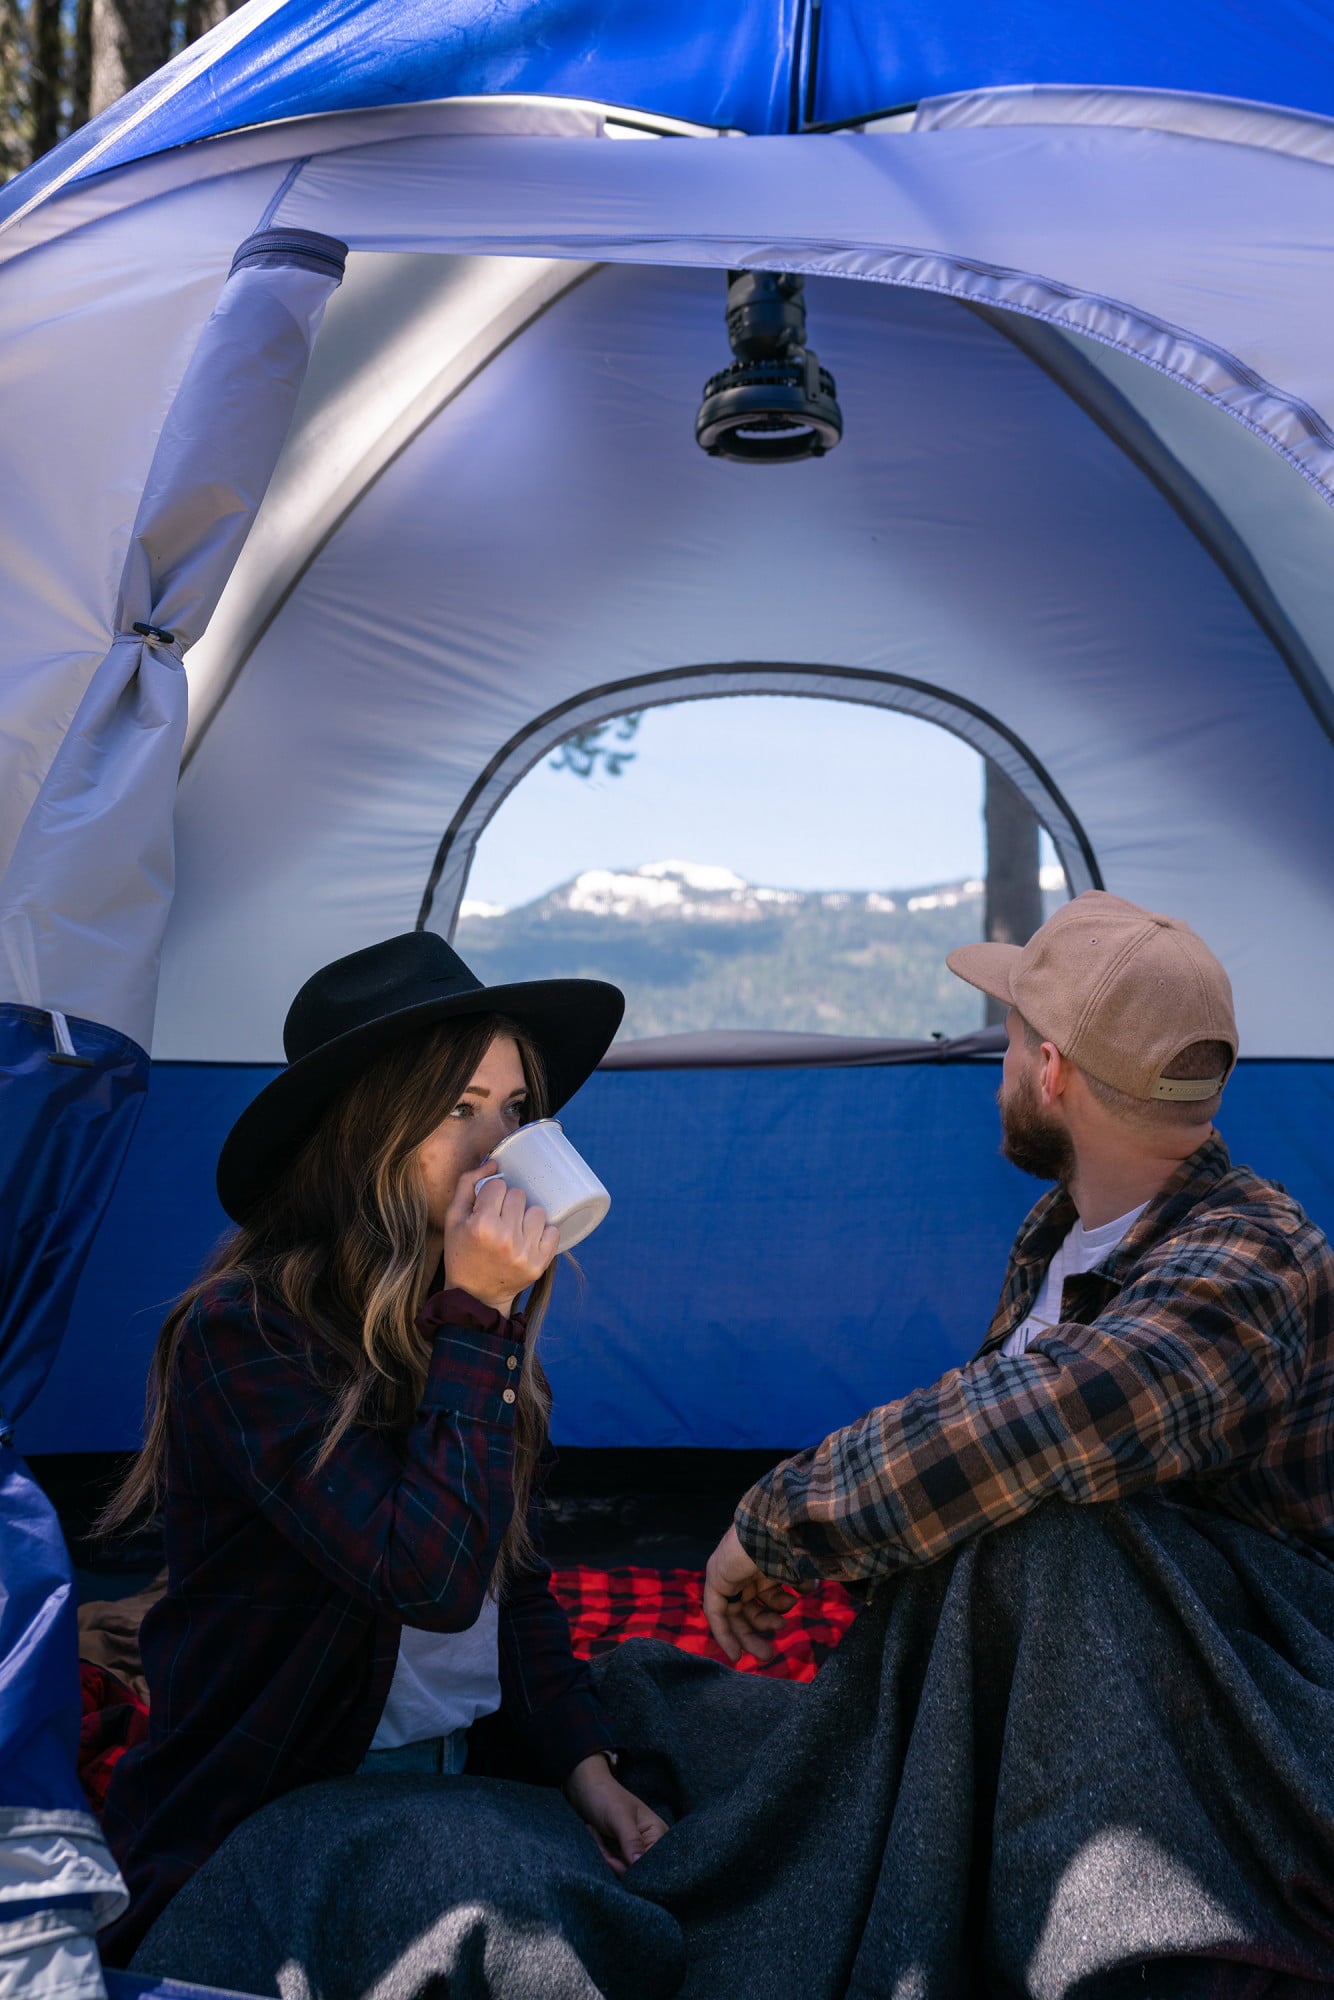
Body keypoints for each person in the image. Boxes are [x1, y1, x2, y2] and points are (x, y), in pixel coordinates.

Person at [594, 889, 1334, 1997]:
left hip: (1247, 1711)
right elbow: (991, 1432)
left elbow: (1049, 1421)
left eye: (1009, 1039)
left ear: (1050, 1074)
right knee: (656, 1694)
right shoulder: (1066, 1232)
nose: (998, 1060)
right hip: (1093, 1687)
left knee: (1050, 1540)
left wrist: (779, 1521)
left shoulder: (1253, 1256)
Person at [97, 931, 671, 1975]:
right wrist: (480, 1314)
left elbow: (509, 1576)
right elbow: (427, 1577)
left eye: (512, 1108)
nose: (497, 1144)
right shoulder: (245, 1333)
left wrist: (580, 1759)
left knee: (709, 1741)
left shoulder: (460, 1327)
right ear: (364, 1132)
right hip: (299, 1791)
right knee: (526, 1936)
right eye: (458, 1108)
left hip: (476, 1766)